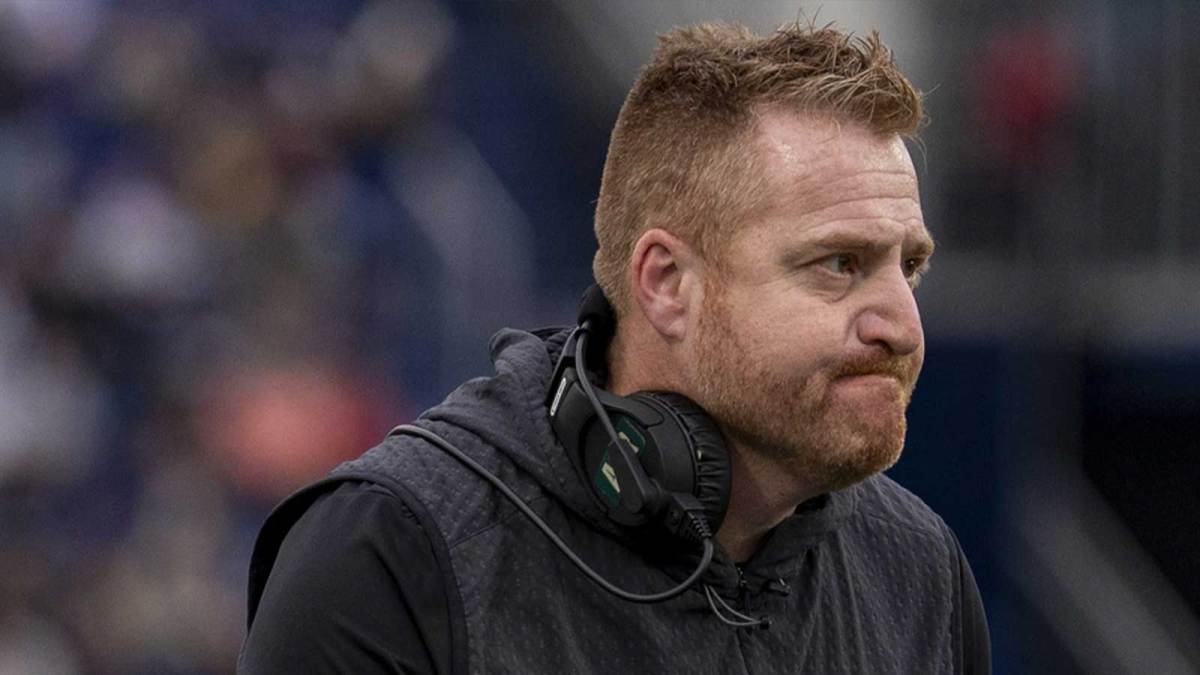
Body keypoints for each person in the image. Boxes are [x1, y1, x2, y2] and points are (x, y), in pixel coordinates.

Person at [238, 21, 991, 674]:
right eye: (839, 264)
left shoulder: (919, 572)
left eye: (910, 266)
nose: (902, 324)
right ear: (666, 282)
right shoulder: (388, 559)